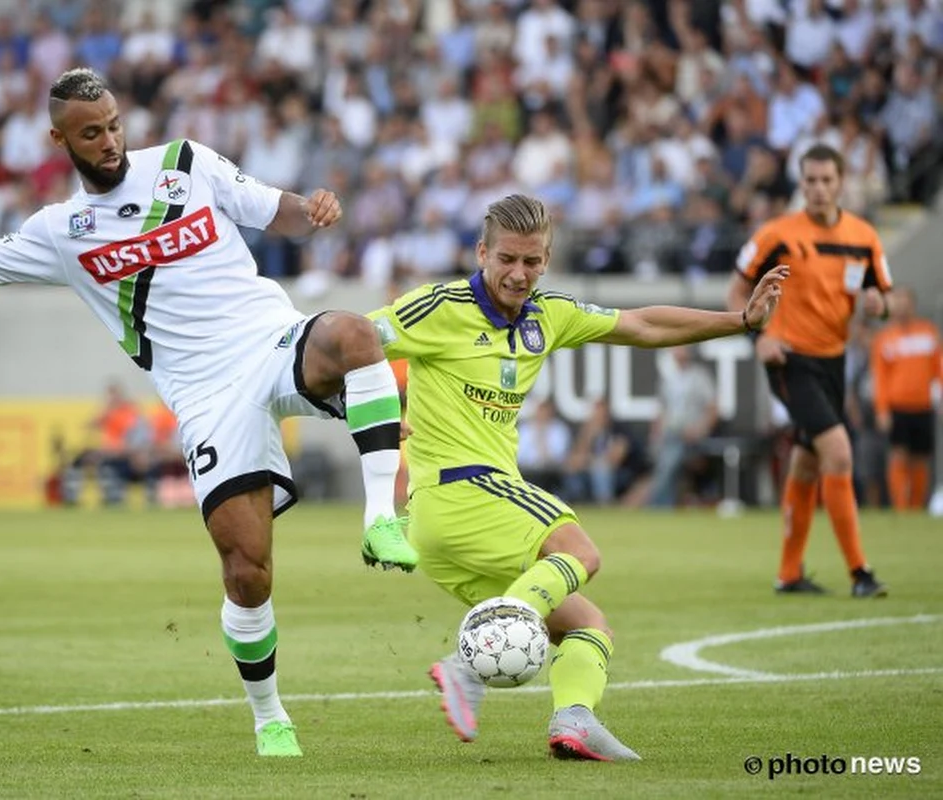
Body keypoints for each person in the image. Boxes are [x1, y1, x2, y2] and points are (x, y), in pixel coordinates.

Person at [0, 67, 416, 758]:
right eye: (92, 133)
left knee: (355, 335)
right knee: (246, 570)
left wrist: (315, 209)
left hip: (269, 338)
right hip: (206, 394)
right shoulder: (61, 231)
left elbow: (278, 210)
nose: (110, 141)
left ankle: (381, 517)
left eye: (114, 124)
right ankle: (270, 716)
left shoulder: (185, 164)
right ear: (58, 139)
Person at [367, 194, 785, 761]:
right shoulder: (437, 306)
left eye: (533, 262)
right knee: (579, 551)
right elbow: (350, 343)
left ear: (548, 259)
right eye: (508, 259)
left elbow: (642, 324)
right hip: (460, 489)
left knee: (588, 623)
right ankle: (469, 663)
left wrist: (739, 321)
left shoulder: (549, 314)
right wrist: (363, 419)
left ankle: (574, 721)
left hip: (451, 528)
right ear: (482, 251)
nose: (519, 274)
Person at [728, 144, 892, 598]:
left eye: (827, 180)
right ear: (801, 184)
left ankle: (788, 574)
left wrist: (879, 307)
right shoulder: (776, 234)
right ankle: (860, 573)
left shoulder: (864, 236)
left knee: (806, 463)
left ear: (841, 183)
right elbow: (735, 290)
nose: (818, 189)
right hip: (790, 359)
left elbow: (882, 299)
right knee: (838, 452)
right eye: (810, 181)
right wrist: (758, 336)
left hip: (834, 362)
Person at [870, 287, 942, 510]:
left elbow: (938, 368)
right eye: (897, 301)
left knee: (920, 458)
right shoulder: (884, 339)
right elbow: (879, 378)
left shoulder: (928, 333)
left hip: (923, 405)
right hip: (897, 407)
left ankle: (916, 506)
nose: (901, 306)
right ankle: (901, 508)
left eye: (904, 301)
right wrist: (882, 409)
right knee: (898, 456)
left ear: (912, 304)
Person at [647, 345, 719, 507]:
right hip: (669, 434)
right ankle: (663, 503)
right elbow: (661, 410)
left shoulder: (699, 376)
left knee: (669, 460)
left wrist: (700, 430)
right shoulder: (668, 378)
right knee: (665, 460)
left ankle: (658, 506)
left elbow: (713, 409)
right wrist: (655, 434)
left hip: (691, 435)